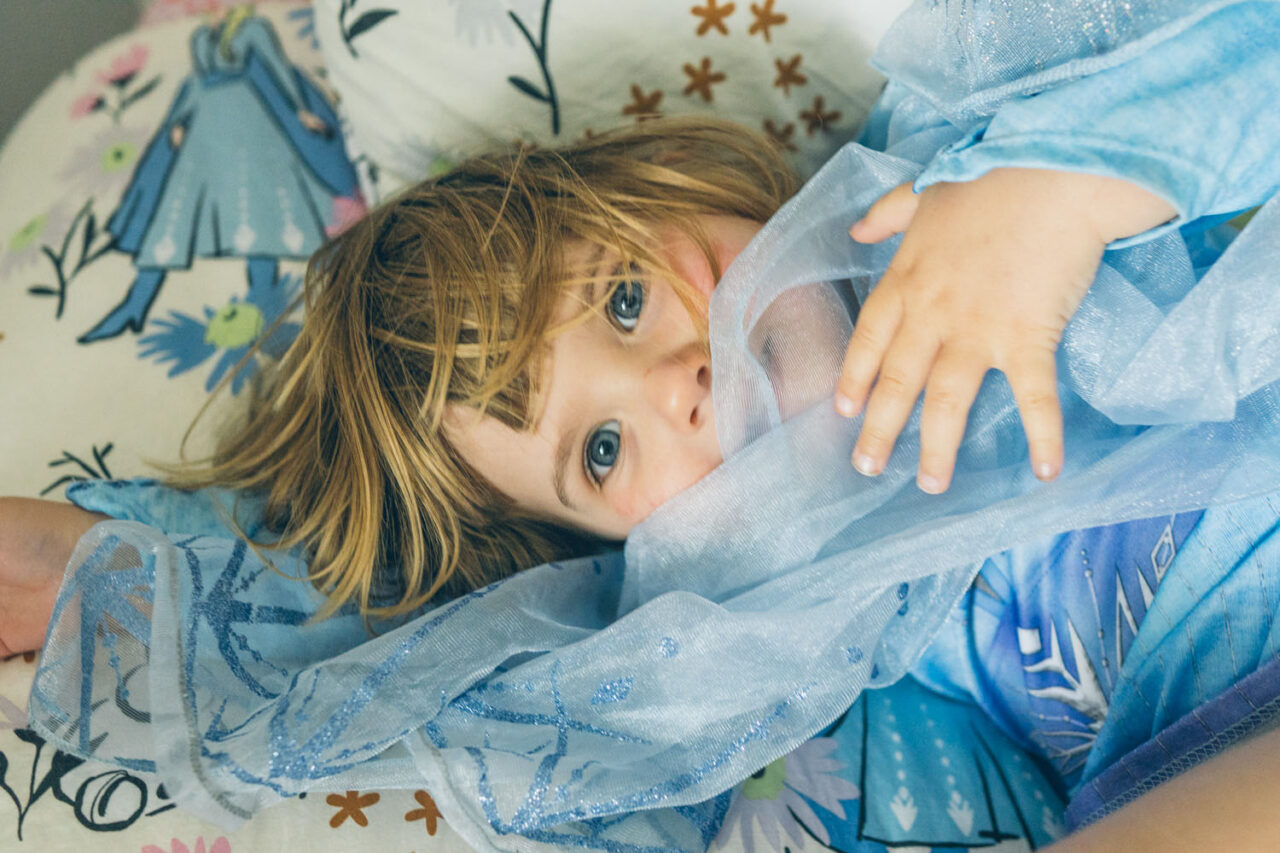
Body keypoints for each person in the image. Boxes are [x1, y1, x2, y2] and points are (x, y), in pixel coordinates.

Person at [4, 1, 1280, 851]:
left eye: (622, 295)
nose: (672, 375)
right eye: (601, 452)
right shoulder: (790, 647)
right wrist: (96, 578)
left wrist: (1055, 184)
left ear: (691, 184)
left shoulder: (939, 167)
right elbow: (400, 656)